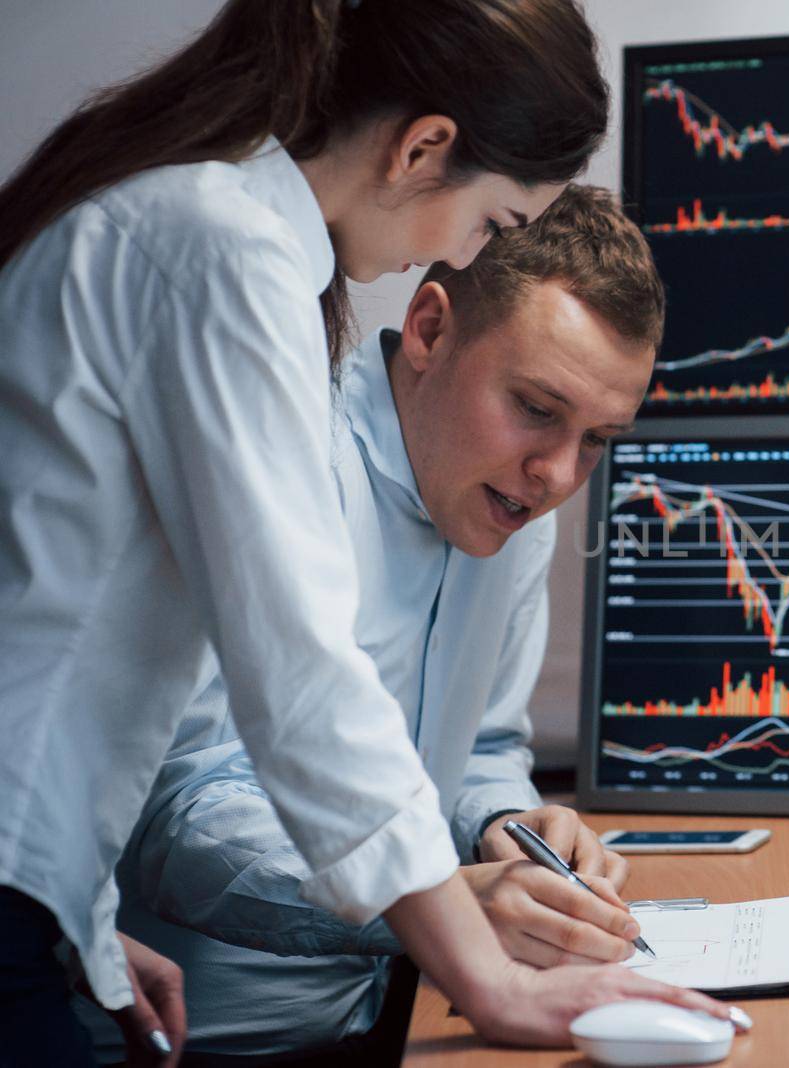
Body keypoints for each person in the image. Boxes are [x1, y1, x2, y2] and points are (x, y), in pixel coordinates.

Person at [0, 2, 725, 1063]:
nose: (557, 472)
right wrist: (480, 974)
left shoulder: (204, 228)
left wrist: (86, 928)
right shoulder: (222, 248)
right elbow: (298, 674)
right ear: (423, 148)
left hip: (49, 905)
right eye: (490, 226)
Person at [80, 185, 663, 1061]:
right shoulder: (274, 461)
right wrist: (438, 910)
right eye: (537, 408)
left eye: (597, 440)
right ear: (429, 329)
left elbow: (481, 749)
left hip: (395, 1020)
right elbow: (186, 813)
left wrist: (505, 825)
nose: (555, 474)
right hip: (204, 1044)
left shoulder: (512, 505)